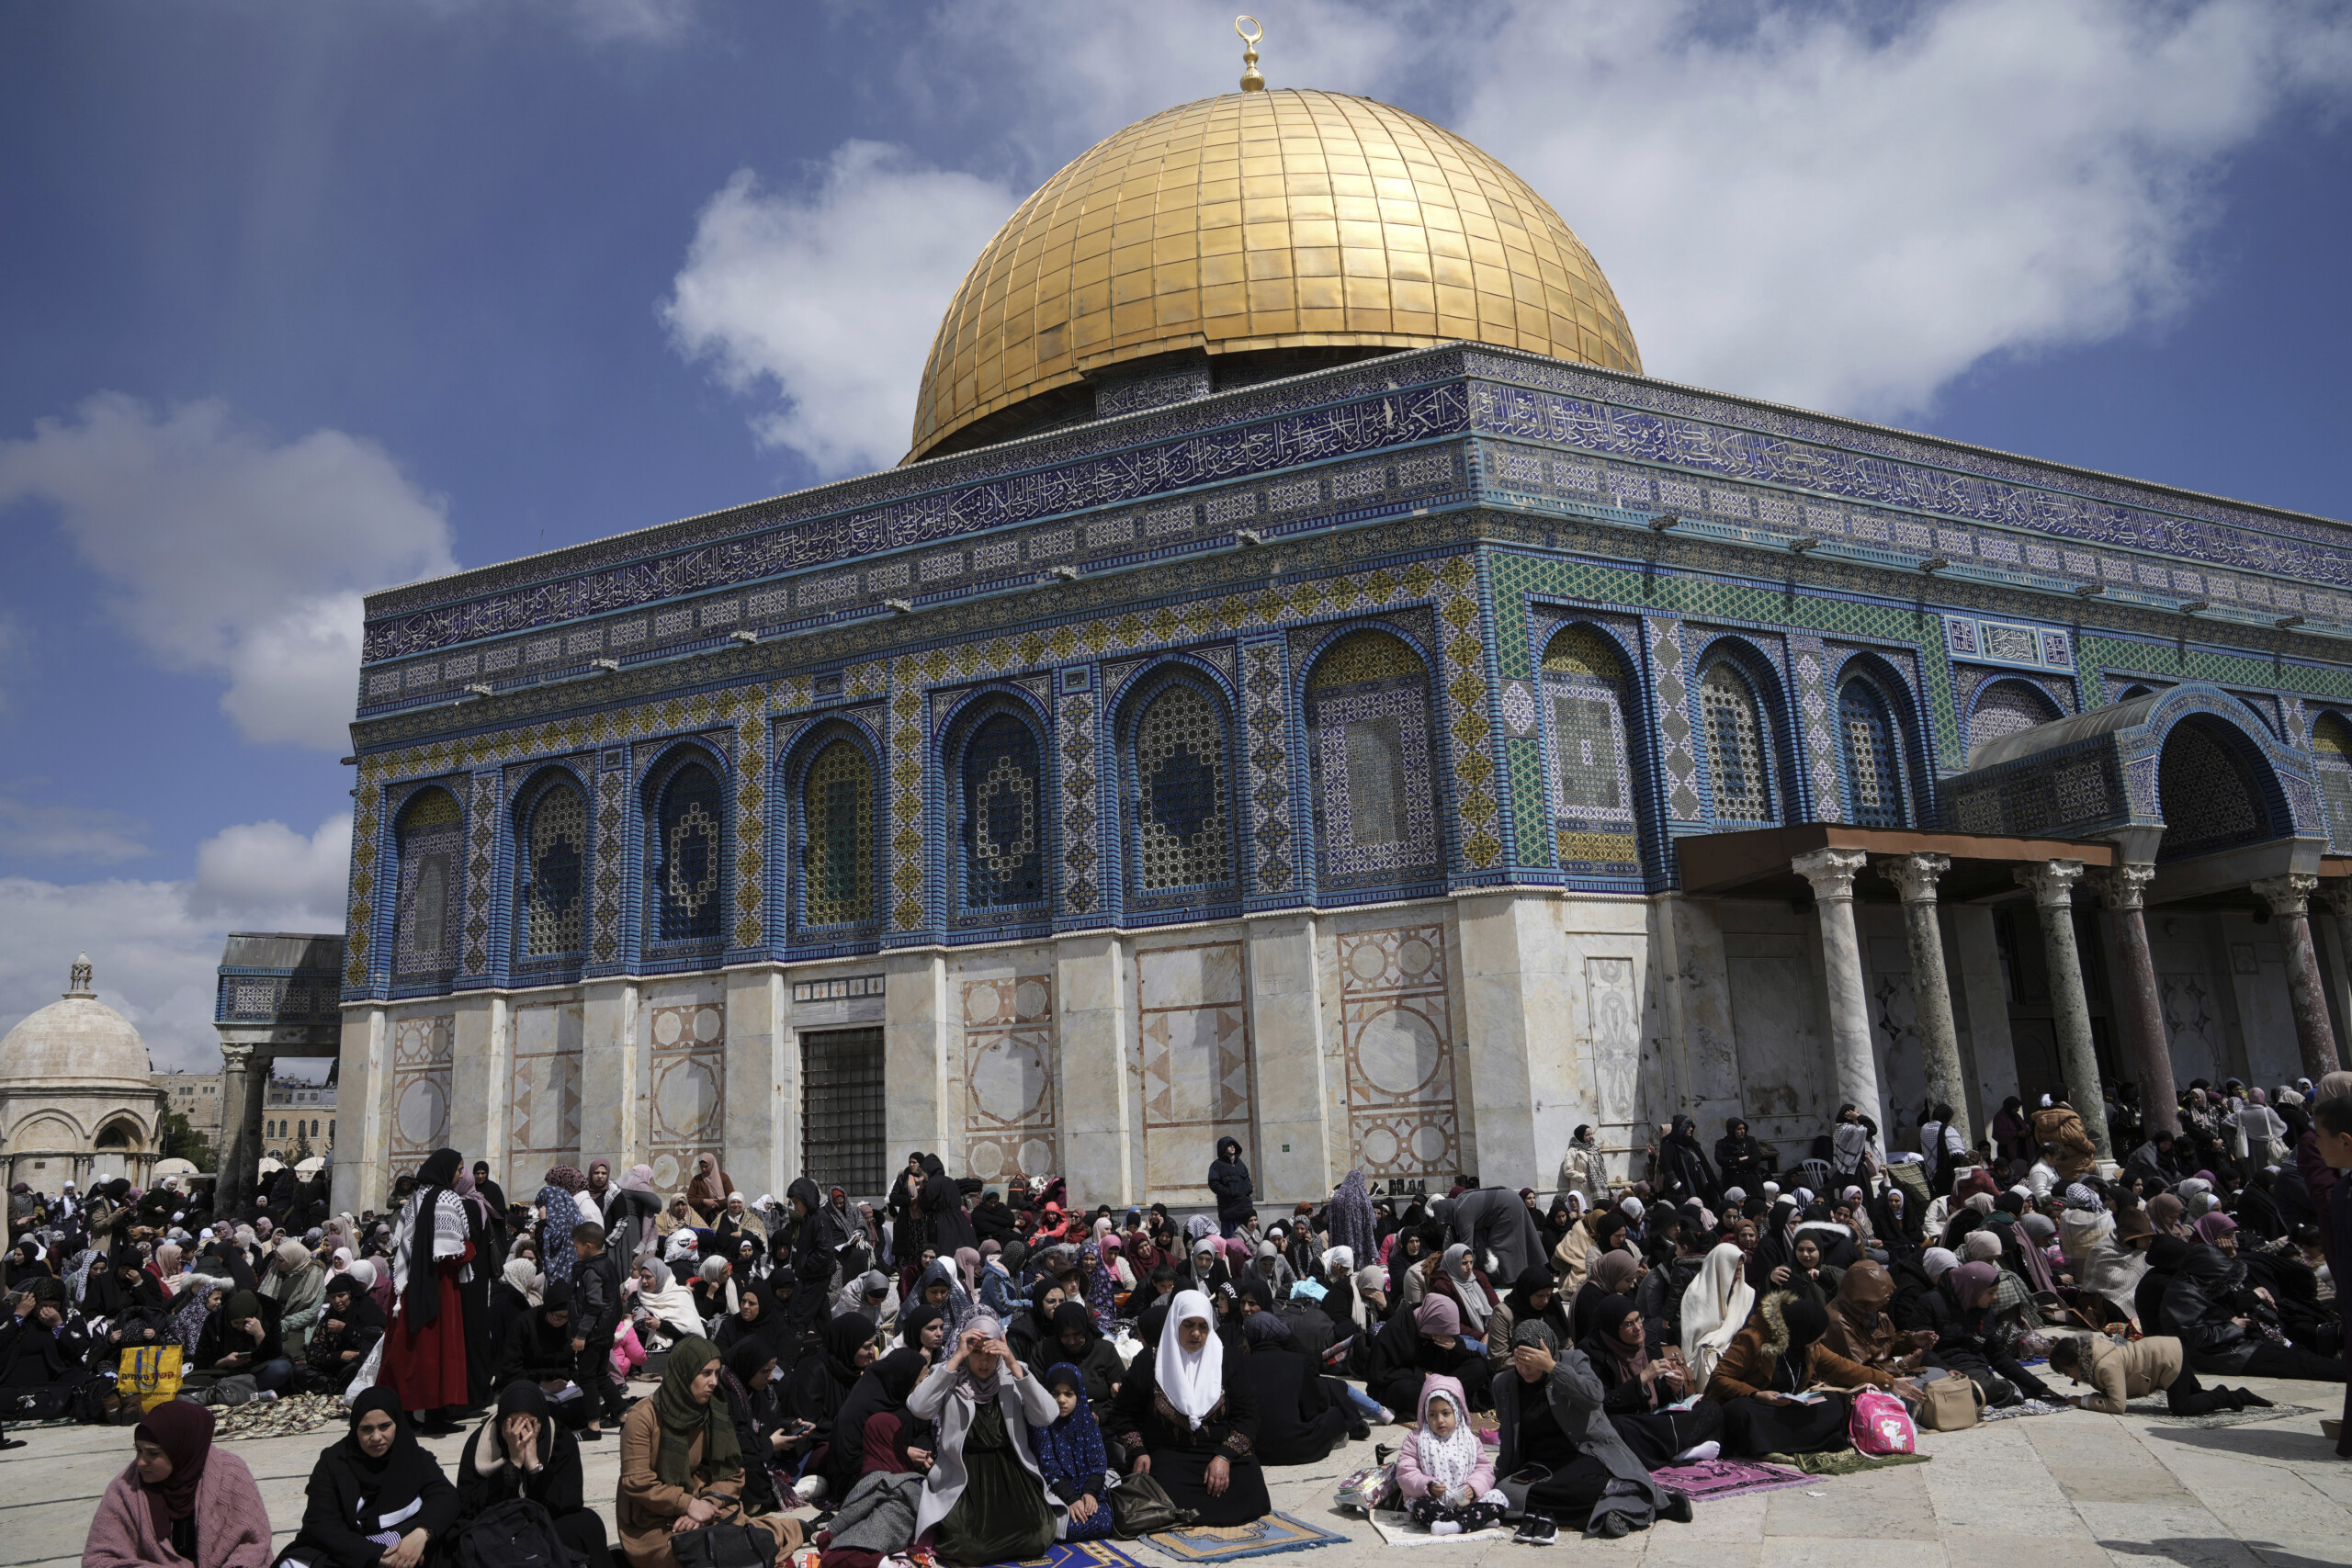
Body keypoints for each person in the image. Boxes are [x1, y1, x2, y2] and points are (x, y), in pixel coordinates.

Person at [618, 1336, 802, 1568]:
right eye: (705, 1373)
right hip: (651, 1519)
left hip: (702, 1506)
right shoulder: (643, 1416)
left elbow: (733, 1472)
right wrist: (686, 1504)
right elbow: (637, 1480)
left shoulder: (712, 1410)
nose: (714, 1382)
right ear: (683, 1372)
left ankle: (787, 1530)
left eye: (716, 1373)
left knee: (736, 1543)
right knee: (697, 1556)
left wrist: (704, 1504)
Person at [1492, 1320, 1681, 1542]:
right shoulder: (1503, 1383)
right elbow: (1507, 1437)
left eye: (1531, 1362)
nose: (1524, 1370)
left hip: (1584, 1455)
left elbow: (1594, 1397)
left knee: (1576, 1485)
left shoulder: (1573, 1360)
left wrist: (1552, 1368)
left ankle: (1617, 1498)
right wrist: (1497, 1480)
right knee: (1505, 1494)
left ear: (1547, 1353)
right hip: (1540, 1467)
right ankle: (1612, 1507)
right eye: (1519, 1362)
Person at [1106, 1290, 1272, 1527]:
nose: (1196, 1334)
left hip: (1220, 1452)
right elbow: (1123, 1413)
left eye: (1203, 1326)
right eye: (1189, 1325)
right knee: (1163, 1490)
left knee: (1249, 1482)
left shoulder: (1227, 1359)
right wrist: (1138, 1451)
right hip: (1171, 1455)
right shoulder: (1150, 1362)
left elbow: (1248, 1415)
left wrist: (1225, 1456)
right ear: (1176, 1323)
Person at [906, 1315, 1060, 1563]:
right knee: (968, 1545)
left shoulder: (1012, 1374)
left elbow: (1048, 1414)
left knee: (1038, 1535)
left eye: (991, 1352)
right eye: (976, 1352)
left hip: (1011, 1472)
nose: (984, 1360)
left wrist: (1012, 1363)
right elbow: (918, 1407)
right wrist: (956, 1358)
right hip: (963, 1475)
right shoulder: (951, 1377)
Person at [1702, 1292, 1903, 1457]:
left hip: (1788, 1406)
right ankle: (1769, 1446)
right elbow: (1719, 1378)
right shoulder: (1753, 1339)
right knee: (1740, 1411)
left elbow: (1843, 1367)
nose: (1822, 1338)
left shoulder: (1809, 1347)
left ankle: (1778, 1445)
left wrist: (1889, 1382)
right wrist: (1756, 1394)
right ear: (1801, 1331)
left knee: (1832, 1406)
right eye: (1818, 1334)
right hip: (1758, 1405)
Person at [276, 1390, 458, 1568]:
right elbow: (321, 1524)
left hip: (407, 1544)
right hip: (352, 1551)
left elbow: (445, 1495)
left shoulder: (414, 1457)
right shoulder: (333, 1463)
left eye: (385, 1426)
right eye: (366, 1429)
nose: (376, 1437)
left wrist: (421, 1534)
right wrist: (376, 1555)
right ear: (355, 1428)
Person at [80, 1401, 273, 1568]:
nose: (141, 1462)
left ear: (180, 1450)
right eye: (138, 1450)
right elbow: (97, 1560)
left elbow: (255, 1543)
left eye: (153, 1453)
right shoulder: (125, 1488)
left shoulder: (230, 1473)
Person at [454, 1380, 610, 1563]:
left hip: (546, 1521)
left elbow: (572, 1499)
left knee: (586, 1523)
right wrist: (512, 1464)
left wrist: (534, 1466)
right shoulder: (482, 1443)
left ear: (541, 1419)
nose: (522, 1432)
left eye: (530, 1423)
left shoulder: (559, 1437)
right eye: (513, 1423)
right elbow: (468, 1504)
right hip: (497, 1527)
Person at [382, 1148, 475, 1428]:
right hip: (439, 1283)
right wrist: (470, 1250)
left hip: (411, 1283)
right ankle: (436, 1414)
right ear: (446, 1170)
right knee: (440, 1346)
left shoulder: (415, 1198)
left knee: (410, 1347)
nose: (461, 1175)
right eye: (459, 1170)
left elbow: (403, 1241)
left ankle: (407, 1412)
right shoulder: (447, 1198)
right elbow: (451, 1251)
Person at [2045, 1334, 2268, 1416]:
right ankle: (2238, 1395)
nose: (2068, 1377)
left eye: (2066, 1371)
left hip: (2167, 1359)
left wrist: (2083, 1400)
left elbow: (2117, 1405)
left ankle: (2227, 1394)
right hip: (2168, 1350)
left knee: (2182, 1408)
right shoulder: (2095, 1353)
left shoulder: (2105, 1365)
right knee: (2197, 1397)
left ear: (2076, 1362)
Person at [1237, 1310, 1352, 1464]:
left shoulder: (1240, 1366)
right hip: (1297, 1449)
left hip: (1254, 1449)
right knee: (1334, 1414)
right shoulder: (1297, 1361)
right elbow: (1314, 1408)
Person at [1394, 1373, 1502, 1533]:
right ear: (1425, 1414)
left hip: (1467, 1501)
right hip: (1433, 1501)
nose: (1440, 1420)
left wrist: (1473, 1488)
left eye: (1445, 1413)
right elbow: (1405, 1473)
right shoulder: (1416, 1439)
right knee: (1421, 1507)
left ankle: (1454, 1524)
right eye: (1432, 1414)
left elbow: (1484, 1469)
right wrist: (1428, 1486)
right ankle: (1470, 1521)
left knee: (1499, 1498)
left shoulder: (1470, 1439)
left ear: (1457, 1411)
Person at [1028, 1362, 1115, 1543]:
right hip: (1057, 1492)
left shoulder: (1086, 1421)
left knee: (1105, 1520)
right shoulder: (1042, 1423)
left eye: (1068, 1394)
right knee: (1066, 1526)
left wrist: (1090, 1493)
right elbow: (1048, 1465)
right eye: (1055, 1394)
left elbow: (1099, 1462)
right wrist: (1071, 1498)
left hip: (1089, 1492)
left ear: (1079, 1394)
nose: (1061, 1400)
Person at [1679, 1240, 1756, 1392]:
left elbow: (1746, 1331)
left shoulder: (1746, 1294)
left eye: (1741, 1270)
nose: (1739, 1276)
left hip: (1736, 1359)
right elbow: (1691, 1340)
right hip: (1703, 1363)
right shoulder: (1696, 1293)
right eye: (1734, 1270)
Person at [1207, 1137, 1255, 1240]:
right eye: (1229, 1145)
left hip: (1245, 1211)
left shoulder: (1240, 1163)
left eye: (1233, 1144)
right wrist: (1229, 1192)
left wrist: (1248, 1189)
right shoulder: (1217, 1165)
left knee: (1249, 1243)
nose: (1232, 1146)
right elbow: (1213, 1183)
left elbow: (1247, 1179)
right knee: (1232, 1244)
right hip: (1230, 1212)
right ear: (1223, 1148)